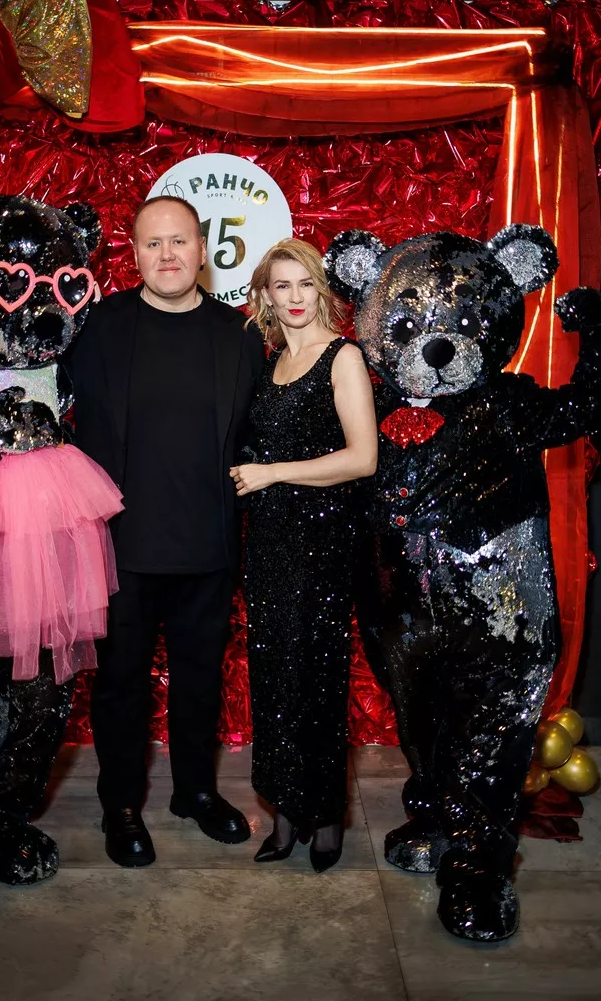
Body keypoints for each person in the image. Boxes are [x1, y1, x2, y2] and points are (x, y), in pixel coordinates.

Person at [66, 196, 265, 866]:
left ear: (203, 251)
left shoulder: (239, 334)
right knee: (120, 683)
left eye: (179, 241)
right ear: (134, 253)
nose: (167, 254)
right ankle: (121, 806)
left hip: (208, 541)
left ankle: (195, 793)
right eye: (153, 244)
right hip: (120, 544)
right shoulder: (98, 327)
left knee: (199, 679)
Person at [230, 237, 377, 872]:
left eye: (305, 283)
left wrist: (272, 473)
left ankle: (326, 817)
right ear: (265, 295)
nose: (294, 297)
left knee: (316, 679)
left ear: (321, 289)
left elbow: (362, 458)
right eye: (281, 285)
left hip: (320, 544)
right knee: (274, 680)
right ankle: (285, 814)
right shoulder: (270, 363)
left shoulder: (343, 357)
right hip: (267, 544)